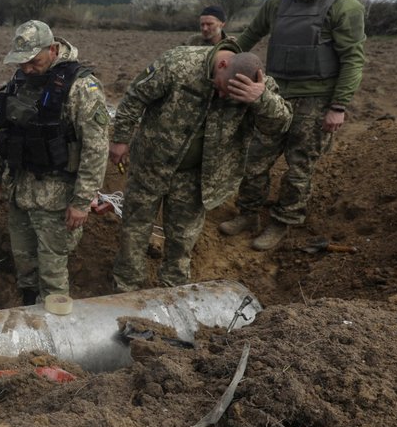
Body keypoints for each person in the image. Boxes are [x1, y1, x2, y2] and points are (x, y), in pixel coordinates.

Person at [109, 41, 292, 292]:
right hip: (151, 164)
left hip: (196, 177)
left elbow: (280, 125)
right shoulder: (178, 64)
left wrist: (261, 100)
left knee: (182, 239)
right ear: (223, 64)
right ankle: (125, 286)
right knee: (134, 229)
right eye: (223, 87)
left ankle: (173, 291)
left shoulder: (258, 88)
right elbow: (135, 96)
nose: (224, 96)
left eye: (231, 95)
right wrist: (120, 139)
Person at [219, 0, 366, 250]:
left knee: (299, 168)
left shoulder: (344, 6)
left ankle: (282, 222)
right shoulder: (279, 0)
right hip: (274, 95)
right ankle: (248, 214)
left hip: (317, 99)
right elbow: (250, 35)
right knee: (255, 159)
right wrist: (220, 59)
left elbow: (353, 59)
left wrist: (338, 107)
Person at [0, 20, 110, 304]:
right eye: (22, 63)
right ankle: (30, 317)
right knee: (25, 265)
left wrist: (81, 201)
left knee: (52, 275)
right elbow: (2, 134)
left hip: (56, 198)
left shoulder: (81, 87)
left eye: (34, 61)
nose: (28, 69)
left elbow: (96, 148)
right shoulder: (17, 83)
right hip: (19, 190)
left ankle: (55, 332)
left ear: (52, 49)